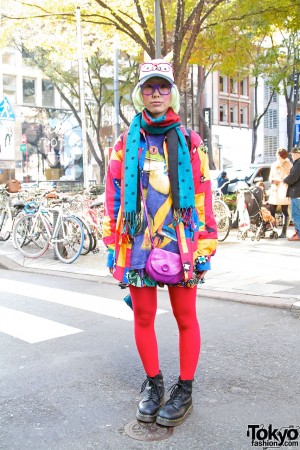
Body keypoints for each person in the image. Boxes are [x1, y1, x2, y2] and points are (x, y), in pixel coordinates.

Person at [103, 59, 218, 427]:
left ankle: (184, 389)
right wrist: (111, 244)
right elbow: (114, 196)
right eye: (149, 87)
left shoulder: (189, 141)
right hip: (136, 244)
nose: (156, 93)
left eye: (163, 87)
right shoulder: (124, 144)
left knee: (186, 317)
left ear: (173, 94)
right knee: (143, 317)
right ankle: (154, 385)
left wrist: (205, 244)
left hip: (181, 245)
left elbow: (202, 196)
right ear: (140, 94)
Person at [268, 148, 292, 238]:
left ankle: (284, 232)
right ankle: (274, 231)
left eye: (280, 156)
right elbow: (270, 177)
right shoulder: (274, 165)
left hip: (284, 190)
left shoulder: (289, 165)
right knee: (272, 211)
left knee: (285, 211)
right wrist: (273, 181)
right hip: (274, 190)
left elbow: (291, 178)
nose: (278, 157)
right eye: (278, 156)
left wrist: (284, 181)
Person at [283, 147, 300, 241]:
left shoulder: (298, 164)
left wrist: (285, 180)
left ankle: (299, 234)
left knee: (296, 214)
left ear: (297, 154)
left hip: (297, 193)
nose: (292, 156)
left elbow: (293, 177)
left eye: (293, 154)